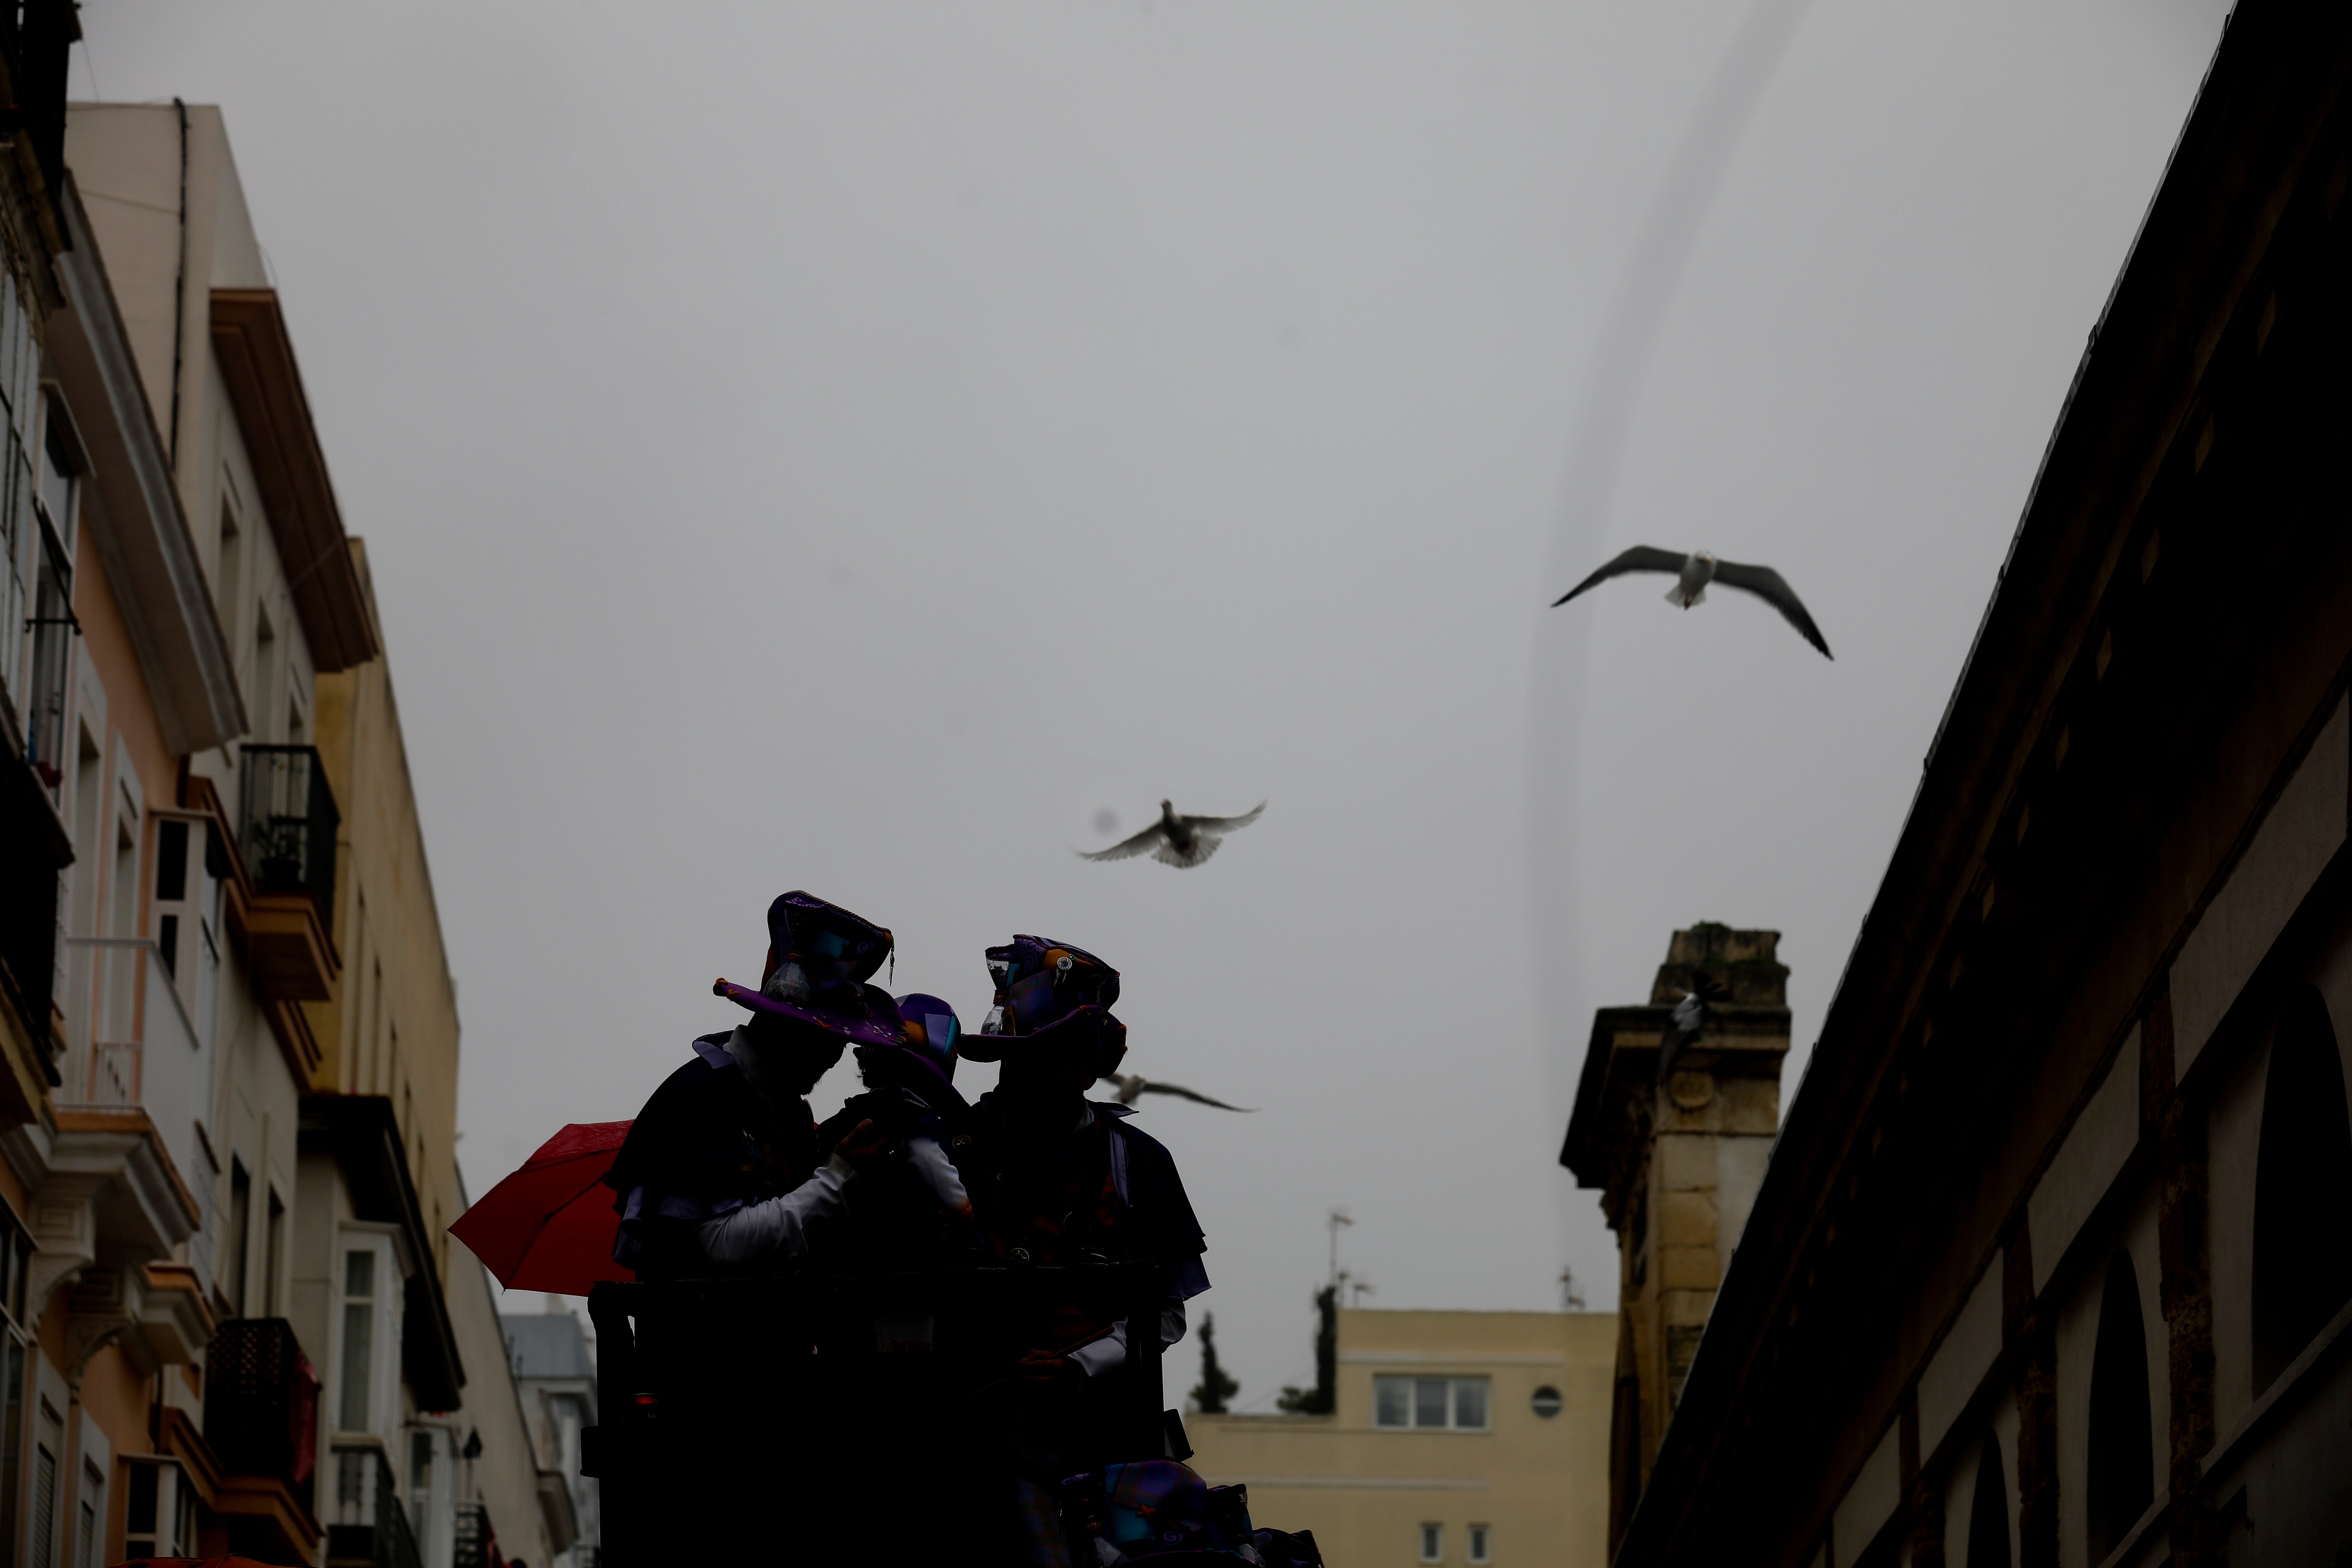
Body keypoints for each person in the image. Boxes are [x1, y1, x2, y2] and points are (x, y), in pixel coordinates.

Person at [956, 936, 1211, 1560]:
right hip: (972, 1437)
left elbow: (1166, 1315)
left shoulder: (1137, 1162)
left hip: (1104, 1444)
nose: (1025, 1075)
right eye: (1017, 1058)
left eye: (1049, 1058)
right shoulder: (955, 1147)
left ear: (1087, 1068)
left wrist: (1079, 1365)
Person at [602, 890, 913, 1279]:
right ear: (781, 1023)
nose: (834, 1058)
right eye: (826, 1037)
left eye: (843, 1041)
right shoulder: (703, 1094)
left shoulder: (787, 1113)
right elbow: (720, 1244)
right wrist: (838, 1179)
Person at [811, 993, 979, 1269]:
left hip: (841, 1263)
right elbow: (929, 1159)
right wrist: (963, 1211)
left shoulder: (839, 1122)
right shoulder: (915, 1114)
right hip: (906, 1265)